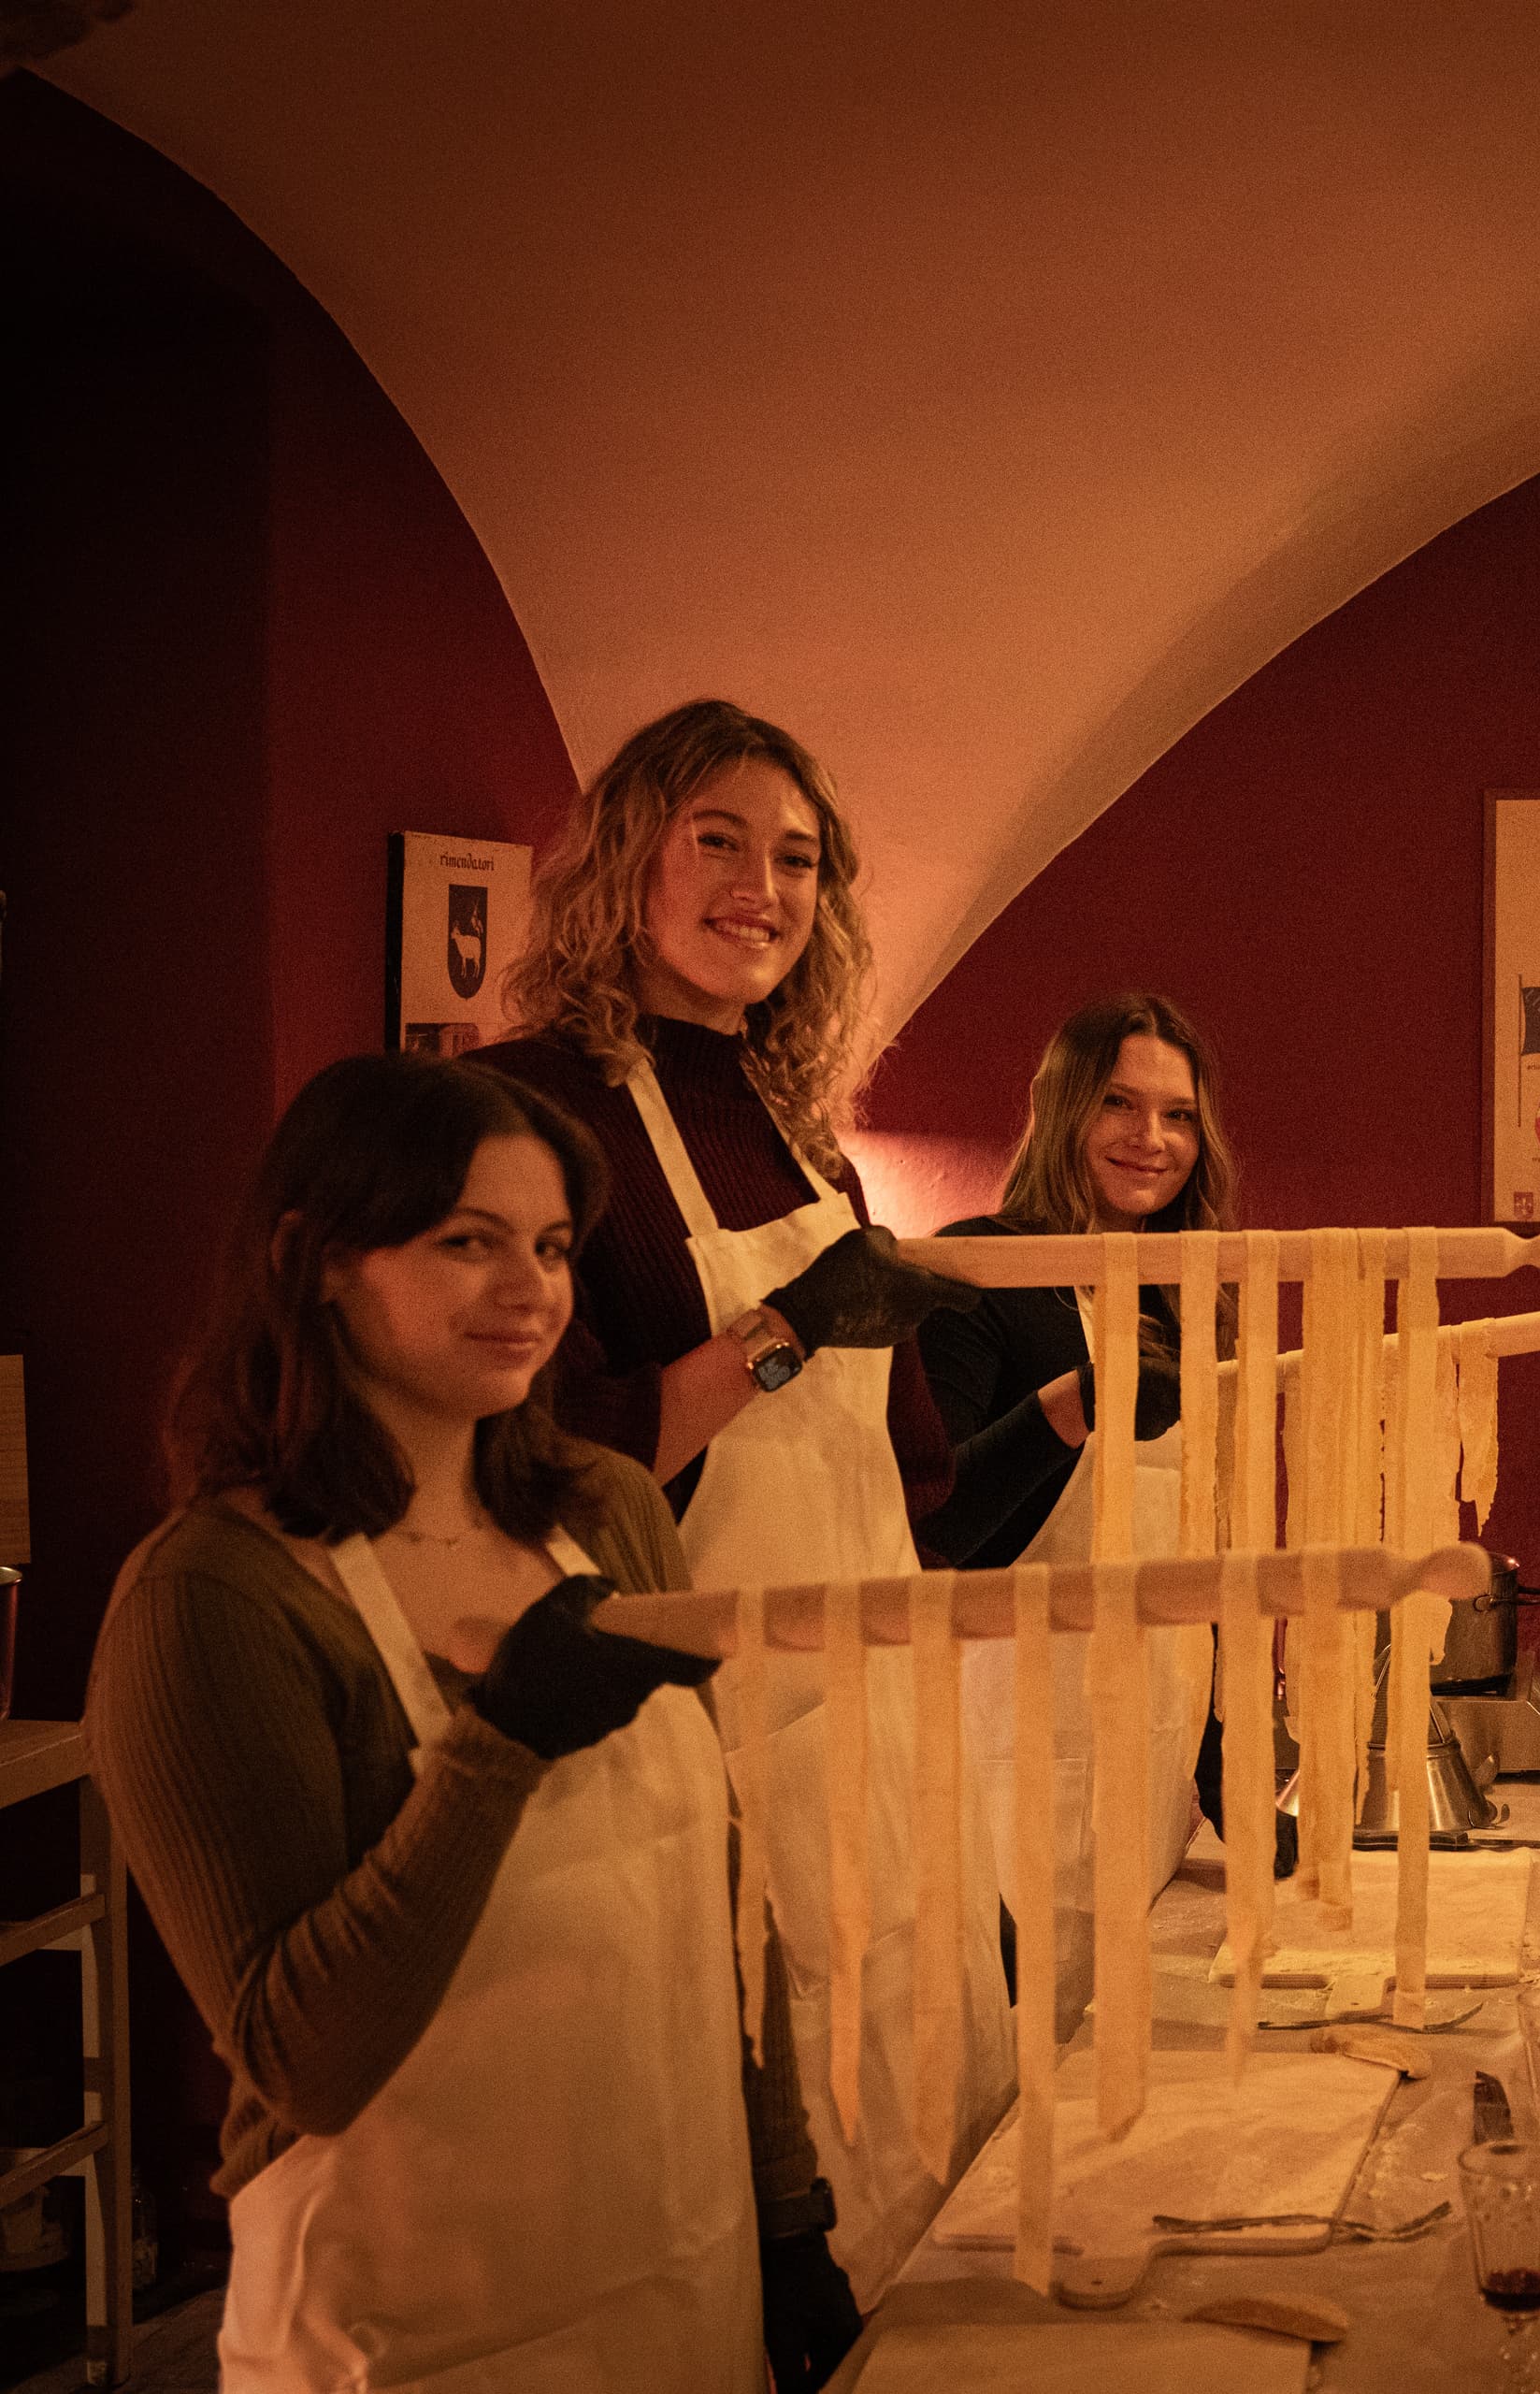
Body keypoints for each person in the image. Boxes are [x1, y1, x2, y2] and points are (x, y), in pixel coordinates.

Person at [85, 1054, 861, 2392]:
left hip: (680, 2267)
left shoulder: (609, 1511)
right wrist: (495, 1747)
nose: (532, 1290)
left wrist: (789, 2209)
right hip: (406, 2330)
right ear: (317, 1261)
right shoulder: (215, 1599)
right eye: (467, 1242)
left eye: (552, 1247)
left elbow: (726, 1893)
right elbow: (302, 2060)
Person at [476, 699, 1003, 2297]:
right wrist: (781, 1339)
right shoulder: (527, 1113)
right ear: (628, 858)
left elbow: (905, 1477)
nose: (760, 889)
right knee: (750, 2160)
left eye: (797, 859)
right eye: (719, 841)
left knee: (912, 2127)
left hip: (871, 1720)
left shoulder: (802, 1136)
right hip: (677, 1722)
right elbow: (533, 1465)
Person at [913, 993, 1242, 2031]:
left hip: (1150, 1761)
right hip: (1006, 1750)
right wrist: (1065, 1411)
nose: (1153, 1138)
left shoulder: (1189, 1295)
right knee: (1012, 2057)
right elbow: (929, 1529)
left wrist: (1229, 1764)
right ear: (1064, 1107)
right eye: (1119, 1103)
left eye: (1179, 1115)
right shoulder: (979, 1271)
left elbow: (1203, 1553)